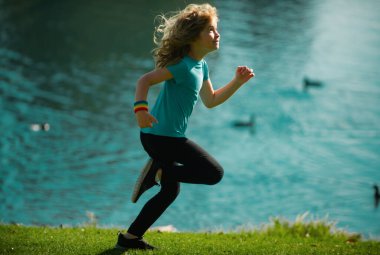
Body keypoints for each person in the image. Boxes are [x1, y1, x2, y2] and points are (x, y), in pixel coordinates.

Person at [115, 3, 255, 250]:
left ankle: (130, 238)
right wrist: (140, 111)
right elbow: (144, 80)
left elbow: (210, 101)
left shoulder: (201, 66)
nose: (217, 34)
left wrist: (237, 82)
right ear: (194, 36)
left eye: (216, 29)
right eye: (211, 30)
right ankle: (158, 172)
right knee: (214, 173)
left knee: (170, 192)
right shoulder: (182, 66)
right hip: (160, 137)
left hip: (164, 137)